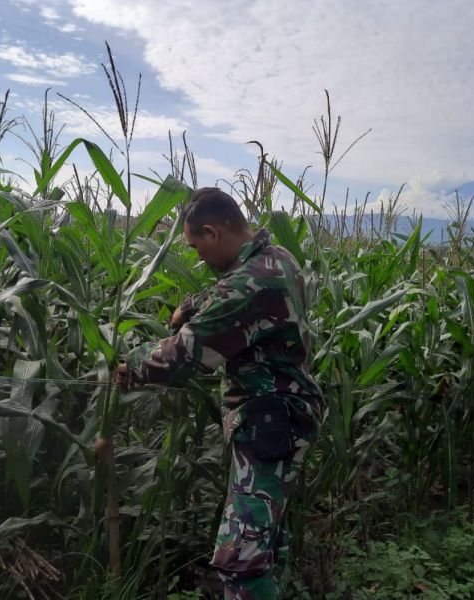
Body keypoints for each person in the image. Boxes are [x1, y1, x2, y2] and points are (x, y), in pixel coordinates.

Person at [115, 187, 326, 599]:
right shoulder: (276, 258)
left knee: (241, 563)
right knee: (266, 551)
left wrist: (131, 366)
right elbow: (228, 293)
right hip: (281, 420)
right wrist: (192, 304)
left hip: (269, 424)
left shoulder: (252, 282)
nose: (196, 256)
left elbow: (187, 354)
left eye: (196, 246)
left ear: (212, 232)